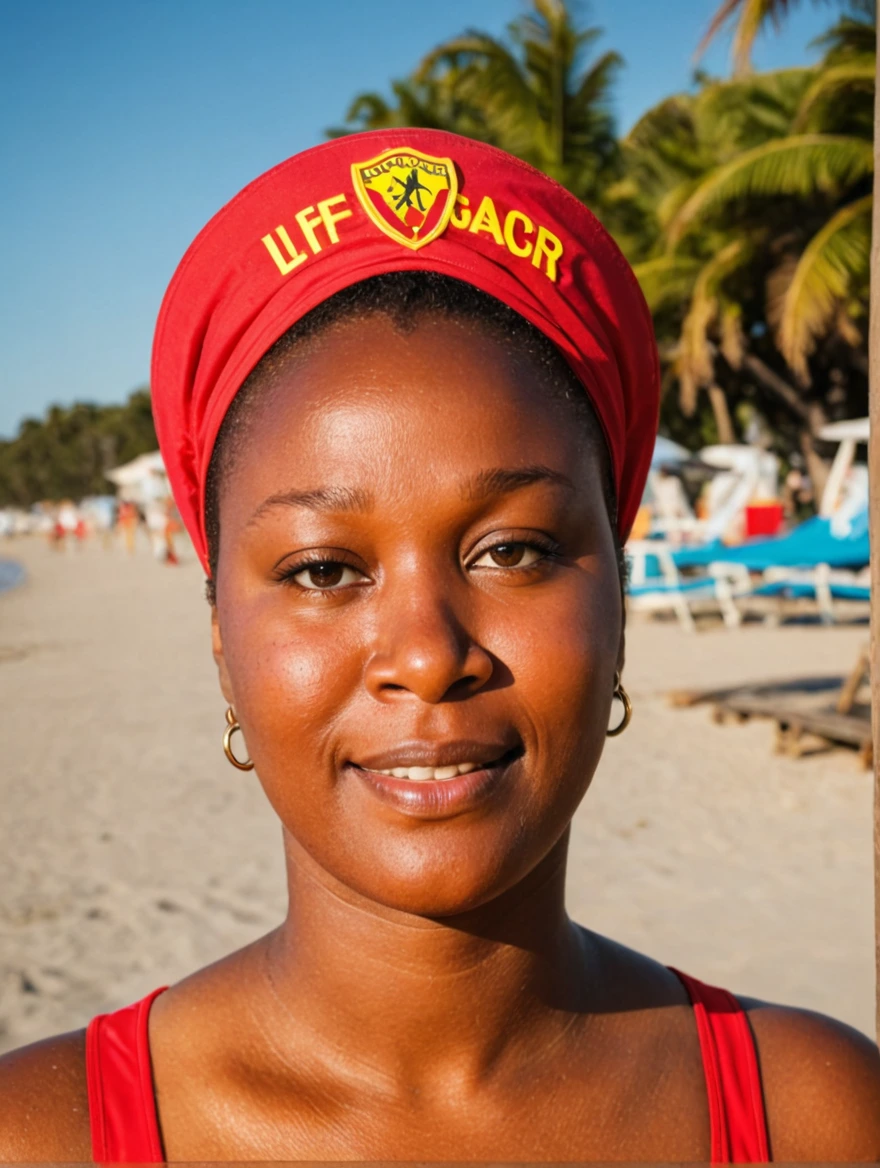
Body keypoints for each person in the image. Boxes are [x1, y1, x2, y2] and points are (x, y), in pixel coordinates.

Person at [2, 130, 879, 1163]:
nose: (426, 656)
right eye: (324, 569)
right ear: (219, 640)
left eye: (512, 550)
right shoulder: (43, 1135)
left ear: (619, 605)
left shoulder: (816, 1115)